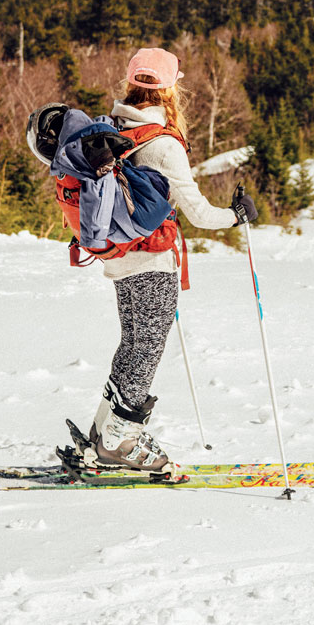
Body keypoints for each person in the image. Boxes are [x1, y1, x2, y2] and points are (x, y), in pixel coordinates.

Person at [87, 46, 257, 477]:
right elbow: (198, 213)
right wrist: (236, 216)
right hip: (151, 261)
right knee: (146, 348)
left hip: (118, 257)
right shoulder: (163, 144)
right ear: (170, 90)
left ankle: (102, 434)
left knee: (133, 344)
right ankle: (119, 442)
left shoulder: (111, 128)